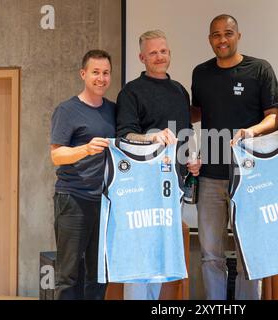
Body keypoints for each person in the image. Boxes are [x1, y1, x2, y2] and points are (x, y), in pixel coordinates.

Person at [191, 14, 278, 300]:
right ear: (210, 40)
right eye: (216, 35)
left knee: (248, 253)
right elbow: (197, 113)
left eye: (228, 33)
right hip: (210, 177)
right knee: (210, 254)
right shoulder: (201, 73)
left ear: (238, 36)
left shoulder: (259, 69)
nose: (222, 39)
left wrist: (250, 132)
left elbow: (274, 117)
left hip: (249, 177)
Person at [116, 29, 201, 300]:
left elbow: (186, 133)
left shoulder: (179, 91)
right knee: (140, 253)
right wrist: (152, 137)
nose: (159, 56)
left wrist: (191, 160)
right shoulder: (131, 92)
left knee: (162, 254)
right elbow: (125, 135)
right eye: (153, 52)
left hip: (173, 186)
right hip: (142, 189)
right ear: (142, 57)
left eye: (163, 51)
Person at [50, 50, 115, 299]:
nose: (101, 78)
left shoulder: (114, 110)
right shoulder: (67, 110)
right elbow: (56, 155)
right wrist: (85, 149)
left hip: (105, 204)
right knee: (68, 275)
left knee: (99, 274)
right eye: (95, 72)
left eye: (106, 73)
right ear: (83, 74)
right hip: (73, 199)